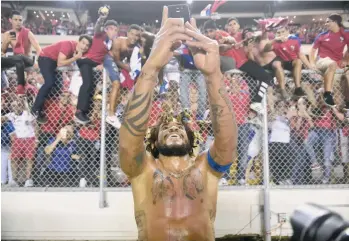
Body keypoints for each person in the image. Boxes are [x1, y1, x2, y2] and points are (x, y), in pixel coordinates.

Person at [119, 7, 237, 241]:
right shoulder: (141, 169)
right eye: (166, 126)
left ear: (191, 137)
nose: (174, 126)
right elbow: (128, 143)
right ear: (153, 138)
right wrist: (151, 66)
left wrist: (213, 75)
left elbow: (227, 141)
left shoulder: (207, 169)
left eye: (180, 126)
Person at [203, 19, 273, 114]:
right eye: (230, 24)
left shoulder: (241, 34)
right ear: (227, 27)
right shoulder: (219, 36)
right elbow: (228, 43)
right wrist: (228, 43)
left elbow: (249, 34)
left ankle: (253, 110)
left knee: (253, 85)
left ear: (239, 26)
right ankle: (257, 101)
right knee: (266, 78)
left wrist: (253, 32)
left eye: (234, 24)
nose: (232, 26)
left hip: (245, 62)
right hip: (240, 63)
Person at [31, 35, 92, 123]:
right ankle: (35, 108)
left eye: (87, 45)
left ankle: (41, 107)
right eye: (83, 43)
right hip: (45, 58)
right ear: (78, 41)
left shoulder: (78, 50)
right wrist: (75, 58)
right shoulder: (68, 45)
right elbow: (60, 63)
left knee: (59, 88)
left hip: (54, 61)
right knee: (49, 82)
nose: (84, 46)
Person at [75, 7, 118, 124]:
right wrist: (101, 18)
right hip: (85, 61)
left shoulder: (110, 42)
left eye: (115, 30)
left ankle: (85, 112)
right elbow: (97, 26)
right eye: (111, 29)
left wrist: (102, 63)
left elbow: (105, 55)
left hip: (92, 64)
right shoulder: (100, 34)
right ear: (106, 29)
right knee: (88, 84)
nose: (114, 31)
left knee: (93, 86)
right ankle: (79, 112)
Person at [105, 24, 142, 128]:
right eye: (132, 34)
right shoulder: (118, 42)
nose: (134, 37)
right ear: (127, 33)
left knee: (126, 88)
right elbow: (116, 60)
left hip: (120, 65)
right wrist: (130, 69)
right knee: (116, 84)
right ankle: (111, 114)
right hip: (109, 60)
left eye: (136, 35)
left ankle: (117, 111)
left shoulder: (136, 46)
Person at [309, 13, 349, 107]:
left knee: (342, 79)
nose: (325, 24)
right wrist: (312, 64)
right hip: (322, 61)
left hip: (337, 64)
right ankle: (327, 94)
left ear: (335, 22)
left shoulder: (345, 33)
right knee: (332, 64)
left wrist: (345, 59)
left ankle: (345, 103)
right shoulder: (322, 35)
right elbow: (312, 51)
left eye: (328, 22)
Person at [1, 10, 42, 96]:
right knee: (11, 59)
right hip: (17, 61)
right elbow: (3, 52)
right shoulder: (9, 34)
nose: (18, 22)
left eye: (20, 20)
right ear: (10, 20)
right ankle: (7, 85)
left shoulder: (28, 33)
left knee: (20, 57)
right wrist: (5, 43)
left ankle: (21, 86)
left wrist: (38, 61)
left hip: (28, 60)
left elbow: (38, 49)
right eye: (15, 20)